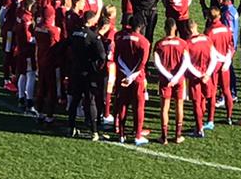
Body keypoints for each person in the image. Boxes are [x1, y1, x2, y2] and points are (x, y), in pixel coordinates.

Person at [63, 15, 107, 140]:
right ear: (91, 20)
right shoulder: (93, 37)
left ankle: (71, 127)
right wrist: (97, 68)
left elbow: (66, 46)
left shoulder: (74, 33)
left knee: (75, 100)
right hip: (88, 73)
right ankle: (94, 131)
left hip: (75, 71)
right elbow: (102, 56)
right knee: (90, 101)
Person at [112, 15, 151, 145]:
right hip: (137, 78)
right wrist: (131, 76)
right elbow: (142, 63)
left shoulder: (121, 39)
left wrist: (127, 74)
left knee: (123, 104)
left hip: (123, 76)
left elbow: (117, 58)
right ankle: (137, 135)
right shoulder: (144, 42)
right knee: (139, 106)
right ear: (140, 27)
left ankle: (121, 135)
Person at [151, 18, 191, 144]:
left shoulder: (159, 44)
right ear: (175, 28)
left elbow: (157, 63)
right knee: (179, 106)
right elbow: (186, 62)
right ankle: (178, 135)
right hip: (179, 80)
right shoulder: (182, 43)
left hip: (165, 80)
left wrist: (169, 77)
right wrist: (176, 77)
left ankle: (164, 137)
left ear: (165, 28)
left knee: (165, 108)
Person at [204, 5, 235, 127]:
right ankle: (229, 117)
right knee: (226, 91)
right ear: (219, 15)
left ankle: (210, 120)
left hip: (214, 64)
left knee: (212, 92)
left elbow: (207, 50)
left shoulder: (209, 32)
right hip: (225, 64)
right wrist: (227, 60)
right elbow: (231, 46)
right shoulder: (227, 29)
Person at [183, 20, 214, 138]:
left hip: (194, 77)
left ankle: (199, 128)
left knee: (196, 102)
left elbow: (187, 63)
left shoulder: (187, 44)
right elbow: (214, 58)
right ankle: (202, 123)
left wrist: (199, 74)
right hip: (206, 75)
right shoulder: (207, 39)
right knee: (203, 99)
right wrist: (207, 74)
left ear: (187, 30)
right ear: (196, 26)